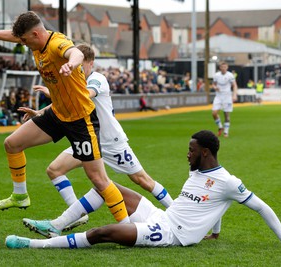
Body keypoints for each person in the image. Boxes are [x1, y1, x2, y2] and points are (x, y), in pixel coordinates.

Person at [5, 130, 281, 249]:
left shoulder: (229, 182)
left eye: (191, 150)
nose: (187, 154)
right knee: (107, 186)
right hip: (160, 215)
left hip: (171, 235)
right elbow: (212, 205)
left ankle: (33, 245)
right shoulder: (197, 171)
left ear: (206, 152)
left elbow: (261, 207)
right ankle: (57, 226)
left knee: (101, 234)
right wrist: (216, 231)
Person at [0, 11, 130, 224]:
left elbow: (76, 53)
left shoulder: (57, 44)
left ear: (36, 34)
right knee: (12, 143)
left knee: (98, 179)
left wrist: (71, 64)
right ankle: (20, 196)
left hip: (81, 119)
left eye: (26, 40)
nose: (24, 44)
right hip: (58, 114)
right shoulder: (35, 41)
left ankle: (126, 226)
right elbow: (15, 35)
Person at [18, 44, 173, 234]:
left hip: (111, 142)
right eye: (75, 66)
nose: (77, 70)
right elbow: (64, 105)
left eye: (80, 66)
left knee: (142, 180)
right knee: (55, 170)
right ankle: (75, 215)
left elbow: (85, 96)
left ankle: (175, 214)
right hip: (89, 139)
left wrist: (55, 94)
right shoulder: (75, 82)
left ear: (91, 63)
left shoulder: (98, 79)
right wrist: (39, 113)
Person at [211, 61, 238, 138]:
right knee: (214, 113)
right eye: (222, 67)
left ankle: (226, 132)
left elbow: (234, 85)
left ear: (227, 67)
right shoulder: (216, 75)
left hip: (227, 97)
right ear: (220, 68)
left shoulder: (230, 75)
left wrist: (234, 95)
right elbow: (213, 84)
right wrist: (215, 87)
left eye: (225, 67)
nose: (223, 68)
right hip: (218, 96)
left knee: (226, 115)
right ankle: (220, 126)